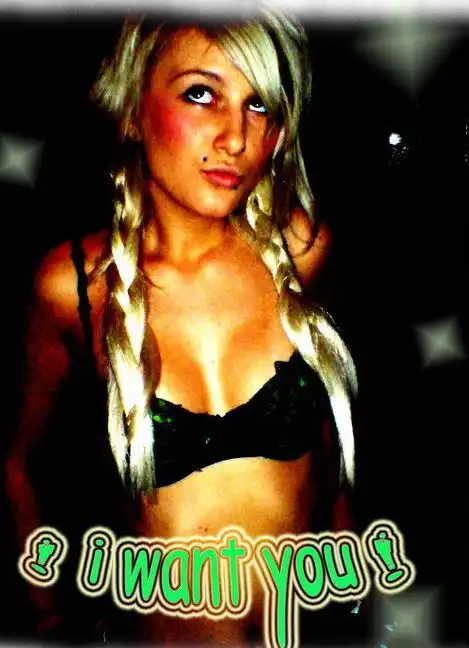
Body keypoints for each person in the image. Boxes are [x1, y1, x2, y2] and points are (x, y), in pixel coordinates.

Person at [5, 7, 358, 646]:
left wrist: (347, 560)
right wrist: (46, 613)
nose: (236, 138)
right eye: (201, 94)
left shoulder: (300, 250)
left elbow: (327, 435)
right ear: (133, 112)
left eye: (259, 105)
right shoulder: (75, 287)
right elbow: (18, 461)